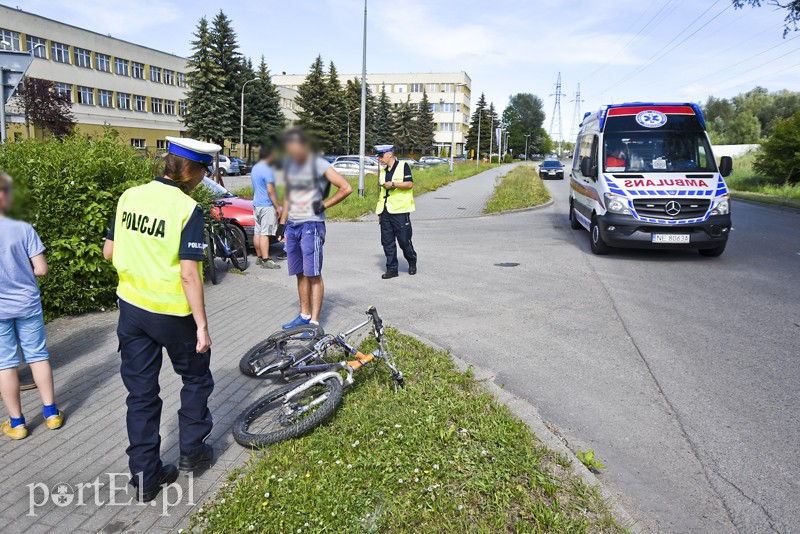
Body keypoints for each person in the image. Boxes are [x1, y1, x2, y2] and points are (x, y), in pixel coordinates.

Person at [103, 137, 218, 502]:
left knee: (140, 395)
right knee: (196, 377)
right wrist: (201, 325)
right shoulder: (187, 209)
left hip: (132, 310)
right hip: (172, 314)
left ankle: (145, 478)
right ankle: (191, 451)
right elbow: (189, 274)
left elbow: (109, 251)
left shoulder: (129, 197)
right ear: (195, 173)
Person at [0, 171, 63, 440]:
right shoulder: (24, 228)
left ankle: (17, 423)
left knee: (5, 364)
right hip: (27, 304)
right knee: (38, 356)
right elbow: (41, 269)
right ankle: (51, 414)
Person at [277, 128, 352, 330]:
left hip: (311, 225)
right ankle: (304, 315)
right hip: (292, 225)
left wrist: (324, 205)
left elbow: (346, 187)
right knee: (300, 273)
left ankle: (314, 323)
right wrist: (282, 223)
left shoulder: (319, 164)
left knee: (313, 274)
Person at [374, 145, 417, 279]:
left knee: (404, 241)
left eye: (381, 156)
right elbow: (381, 193)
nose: (379, 159)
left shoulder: (403, 166)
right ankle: (392, 269)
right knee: (387, 242)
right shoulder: (383, 170)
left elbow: (409, 184)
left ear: (389, 154)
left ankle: (411, 261)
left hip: (400, 211)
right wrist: (380, 213)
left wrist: (393, 184)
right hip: (386, 211)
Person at [251, 145, 282, 269]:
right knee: (265, 233)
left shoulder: (255, 168)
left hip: (256, 204)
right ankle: (266, 260)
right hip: (267, 205)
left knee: (257, 232)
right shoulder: (267, 170)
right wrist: (277, 206)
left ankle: (259, 257)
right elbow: (270, 191)